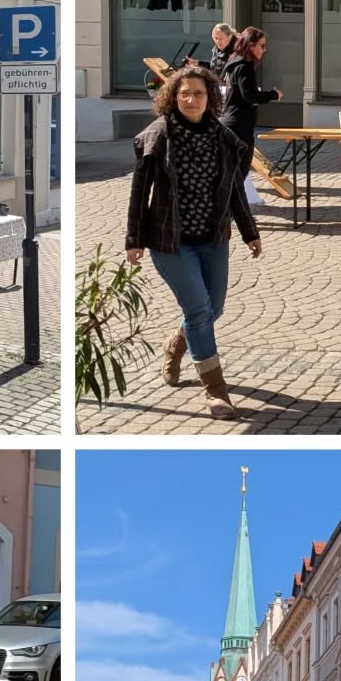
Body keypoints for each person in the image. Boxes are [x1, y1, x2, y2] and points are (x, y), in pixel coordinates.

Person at [126, 61, 262, 420]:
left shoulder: (222, 137)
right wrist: (134, 239)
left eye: (198, 93)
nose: (191, 99)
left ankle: (176, 345)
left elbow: (234, 188)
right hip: (171, 242)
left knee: (212, 309)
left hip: (213, 237)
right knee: (200, 310)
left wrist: (250, 231)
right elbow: (140, 193)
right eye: (184, 93)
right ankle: (216, 392)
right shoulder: (158, 136)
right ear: (172, 97)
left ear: (210, 99)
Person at [220, 26, 282, 211]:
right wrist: (273, 95)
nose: (264, 50)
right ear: (251, 45)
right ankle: (228, 214)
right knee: (239, 173)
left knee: (232, 173)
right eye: (262, 46)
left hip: (231, 121)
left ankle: (227, 213)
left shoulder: (233, 63)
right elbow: (250, 95)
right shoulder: (244, 67)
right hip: (239, 125)